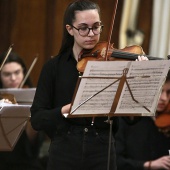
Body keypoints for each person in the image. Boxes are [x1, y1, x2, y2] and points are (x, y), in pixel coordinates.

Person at [30, 1, 148, 170]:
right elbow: (37, 119)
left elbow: (132, 119)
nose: (91, 34)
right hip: (65, 149)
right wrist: (67, 110)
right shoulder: (53, 67)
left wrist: (137, 78)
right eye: (83, 28)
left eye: (96, 27)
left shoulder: (114, 64)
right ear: (70, 29)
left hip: (103, 148)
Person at [115, 70, 170, 170]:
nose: (164, 98)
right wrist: (149, 165)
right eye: (160, 91)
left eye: (168, 92)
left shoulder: (166, 122)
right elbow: (116, 161)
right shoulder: (127, 119)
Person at [0, 52, 44, 170]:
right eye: (7, 74)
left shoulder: (34, 97)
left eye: (17, 72)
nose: (13, 78)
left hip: (26, 160)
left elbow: (32, 145)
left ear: (24, 72)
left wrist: (31, 116)